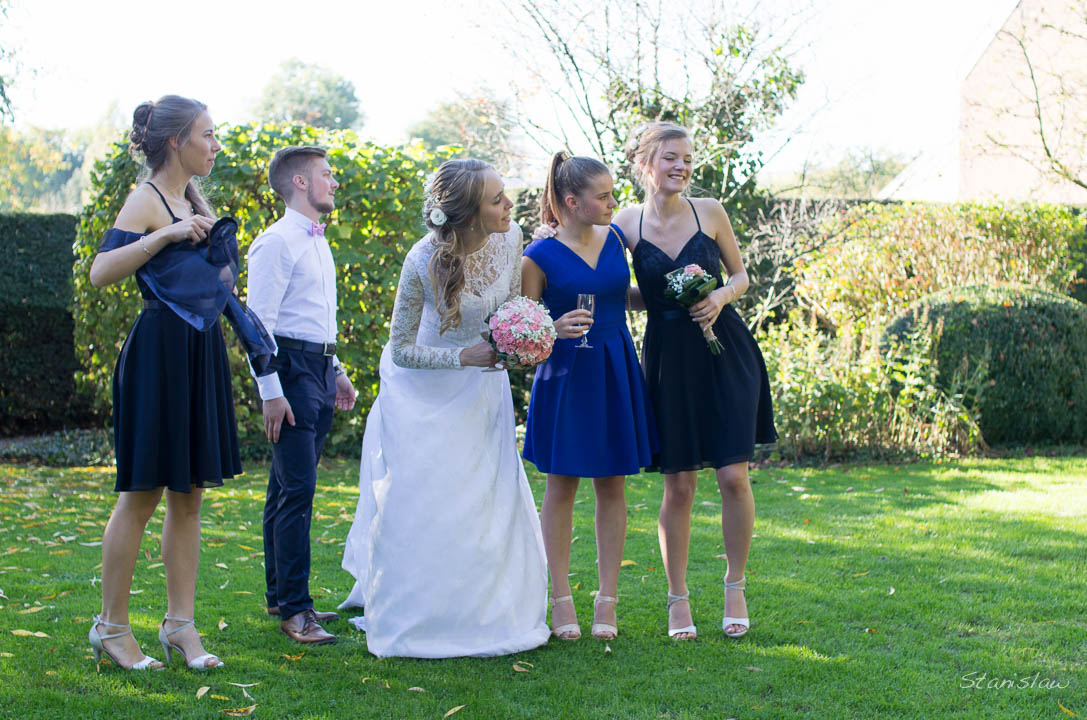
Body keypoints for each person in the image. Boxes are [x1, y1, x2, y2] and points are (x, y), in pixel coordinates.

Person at [340, 158, 550, 658]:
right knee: (432, 504)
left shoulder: (512, 237)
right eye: (496, 199)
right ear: (467, 213)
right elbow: (401, 349)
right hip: (424, 397)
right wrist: (463, 355)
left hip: (484, 389)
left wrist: (519, 342)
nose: (508, 205)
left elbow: (511, 310)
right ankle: (419, 615)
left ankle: (490, 611)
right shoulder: (422, 260)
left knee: (486, 501)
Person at [612, 122, 777, 640]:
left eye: (686, 158)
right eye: (670, 158)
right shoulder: (625, 224)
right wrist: (659, 304)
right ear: (646, 164)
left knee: (734, 476)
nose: (681, 167)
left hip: (726, 350)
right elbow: (611, 286)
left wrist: (720, 297)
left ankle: (735, 585)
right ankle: (677, 598)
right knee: (679, 486)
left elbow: (742, 276)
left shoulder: (711, 212)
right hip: (668, 361)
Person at [87, 95, 233, 671]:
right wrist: (164, 238)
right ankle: (112, 629)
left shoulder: (191, 197)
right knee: (141, 495)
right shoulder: (146, 200)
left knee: (189, 496)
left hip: (198, 353)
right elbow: (101, 272)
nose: (214, 145)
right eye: (207, 135)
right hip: (158, 358)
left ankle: (180, 627)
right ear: (176, 141)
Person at [521, 152, 657, 641]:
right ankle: (559, 598)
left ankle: (607, 599)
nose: (612, 203)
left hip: (615, 367)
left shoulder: (617, 238)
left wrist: (671, 298)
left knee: (612, 485)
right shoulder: (536, 256)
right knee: (561, 486)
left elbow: (621, 298)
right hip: (565, 373)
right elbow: (521, 329)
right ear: (571, 202)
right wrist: (551, 329)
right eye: (603, 197)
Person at [247, 145, 357, 645]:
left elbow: (314, 315)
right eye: (326, 176)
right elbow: (259, 328)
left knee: (286, 487)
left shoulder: (318, 240)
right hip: (287, 372)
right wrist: (271, 392)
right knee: (298, 491)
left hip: (316, 368)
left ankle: (279, 595)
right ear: (299, 183)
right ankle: (296, 610)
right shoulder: (275, 243)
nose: (334, 183)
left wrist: (335, 369)